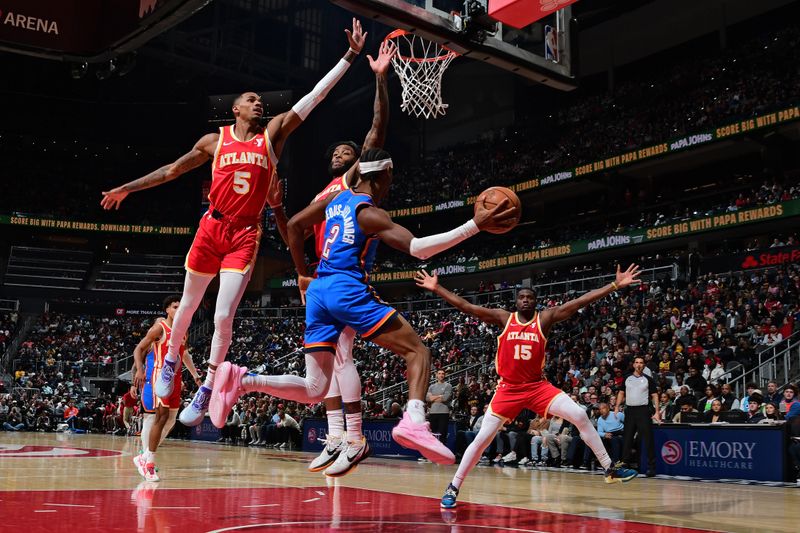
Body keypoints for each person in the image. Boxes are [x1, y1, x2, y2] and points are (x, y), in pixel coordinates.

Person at [101, 19, 368, 427]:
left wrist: (349, 56)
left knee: (224, 315)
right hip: (212, 226)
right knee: (188, 308)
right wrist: (127, 188)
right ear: (235, 109)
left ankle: (208, 386)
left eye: (261, 99)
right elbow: (172, 170)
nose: (259, 103)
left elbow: (315, 98)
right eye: (251, 99)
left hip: (244, 232)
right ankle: (172, 359)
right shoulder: (215, 141)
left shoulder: (273, 135)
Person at [209, 148, 517, 475]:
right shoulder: (370, 213)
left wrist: (303, 274)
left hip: (318, 291)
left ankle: (243, 380)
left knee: (316, 387)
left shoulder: (335, 200)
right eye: (391, 175)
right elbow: (418, 248)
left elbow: (296, 226)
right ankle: (413, 419)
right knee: (418, 351)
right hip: (346, 288)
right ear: (383, 176)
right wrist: (475, 225)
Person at [413, 265, 642, 509]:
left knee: (579, 415)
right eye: (521, 297)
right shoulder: (504, 318)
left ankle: (609, 468)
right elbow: (468, 307)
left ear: (535, 301)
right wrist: (437, 288)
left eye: (529, 297)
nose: (525, 300)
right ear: (516, 301)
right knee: (481, 440)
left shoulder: (545, 319)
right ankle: (453, 486)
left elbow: (578, 302)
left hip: (536, 387)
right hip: (508, 389)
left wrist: (614, 285)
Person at [287, 39, 396, 475]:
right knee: (325, 361)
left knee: (344, 358)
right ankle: (335, 436)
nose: (341, 155)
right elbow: (295, 229)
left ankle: (354, 437)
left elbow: (376, 130)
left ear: (359, 164)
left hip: (347, 274)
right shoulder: (322, 194)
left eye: (348, 153)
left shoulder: (353, 183)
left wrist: (379, 80)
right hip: (320, 277)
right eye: (336, 152)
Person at [133, 295, 201, 482]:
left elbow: (184, 354)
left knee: (171, 420)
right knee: (159, 417)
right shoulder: (159, 328)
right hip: (159, 377)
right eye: (174, 307)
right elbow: (138, 349)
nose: (178, 310)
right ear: (167, 310)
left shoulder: (184, 330)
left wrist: (195, 376)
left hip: (176, 380)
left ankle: (144, 455)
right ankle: (149, 464)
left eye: (180, 307)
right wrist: (139, 371)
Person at [615, 355, 660, 477]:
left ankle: (651, 467)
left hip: (643, 411)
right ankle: (624, 466)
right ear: (633, 365)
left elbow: (655, 395)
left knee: (648, 439)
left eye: (641, 362)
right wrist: (616, 406)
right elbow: (621, 392)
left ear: (644, 365)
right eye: (637, 362)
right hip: (630, 411)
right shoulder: (627, 378)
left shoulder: (648, 379)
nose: (639, 364)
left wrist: (657, 412)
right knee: (627, 439)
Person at [427, 369, 453, 447]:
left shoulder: (448, 386)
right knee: (432, 434)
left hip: (443, 413)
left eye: (443, 373)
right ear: (436, 375)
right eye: (439, 373)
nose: (441, 375)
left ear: (444, 375)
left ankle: (442, 454)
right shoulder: (432, 386)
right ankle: (431, 452)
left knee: (442, 434)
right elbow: (428, 399)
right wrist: (439, 396)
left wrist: (433, 398)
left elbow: (445, 398)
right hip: (433, 412)